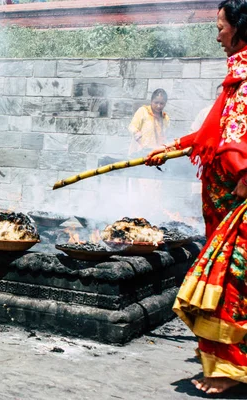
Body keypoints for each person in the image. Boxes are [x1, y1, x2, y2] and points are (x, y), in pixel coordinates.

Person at [147, 0, 247, 394]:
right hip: (225, 200)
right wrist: (173, 147)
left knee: (224, 281)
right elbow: (215, 133)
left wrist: (243, 175)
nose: (217, 33)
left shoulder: (244, 74)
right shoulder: (235, 73)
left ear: (240, 28)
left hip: (237, 201)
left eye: (221, 26)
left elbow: (237, 138)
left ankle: (225, 371)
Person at [128, 88, 170, 155]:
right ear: (151, 101)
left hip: (156, 154)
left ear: (165, 104)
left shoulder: (165, 118)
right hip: (139, 152)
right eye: (156, 102)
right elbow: (132, 127)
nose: (158, 106)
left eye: (161, 103)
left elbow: (165, 136)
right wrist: (137, 135)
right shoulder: (143, 111)